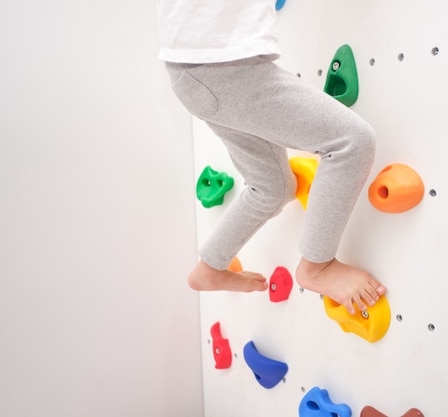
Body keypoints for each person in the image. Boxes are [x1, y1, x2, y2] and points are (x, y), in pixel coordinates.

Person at [157, 0, 386, 315]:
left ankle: (209, 267)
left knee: (271, 188)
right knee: (351, 142)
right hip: (222, 66)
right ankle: (317, 266)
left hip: (197, 72)